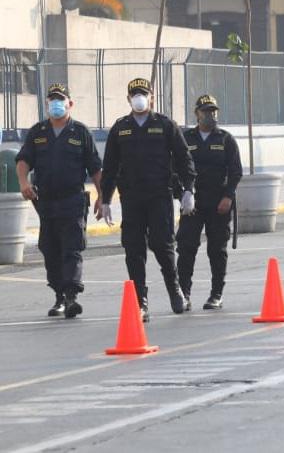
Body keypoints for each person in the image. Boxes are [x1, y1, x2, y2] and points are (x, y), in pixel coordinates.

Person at [99, 78, 196, 322]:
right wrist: (105, 199)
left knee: (162, 245)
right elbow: (109, 166)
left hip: (159, 195)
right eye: (135, 94)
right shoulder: (120, 128)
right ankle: (140, 302)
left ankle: (175, 290)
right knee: (133, 249)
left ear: (151, 97)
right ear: (128, 99)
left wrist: (188, 190)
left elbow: (184, 159)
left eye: (143, 93)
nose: (139, 98)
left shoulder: (165, 125)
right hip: (131, 197)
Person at [15, 83, 102, 319]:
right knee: (50, 249)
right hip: (46, 202)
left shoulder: (81, 132)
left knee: (71, 249)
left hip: (72, 200)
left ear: (70, 104)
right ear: (46, 104)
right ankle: (59, 296)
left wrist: (102, 196)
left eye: (60, 99)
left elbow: (95, 168)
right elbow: (23, 160)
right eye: (52, 99)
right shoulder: (38, 132)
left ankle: (72, 296)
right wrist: (23, 183)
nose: (56, 103)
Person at [176, 95, 242, 310]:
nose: (210, 115)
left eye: (213, 111)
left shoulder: (225, 139)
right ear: (197, 114)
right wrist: (183, 194)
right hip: (192, 203)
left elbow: (235, 171)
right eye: (206, 111)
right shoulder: (186, 138)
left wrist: (228, 196)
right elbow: (174, 169)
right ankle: (184, 293)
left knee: (217, 249)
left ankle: (216, 294)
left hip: (218, 203)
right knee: (186, 248)